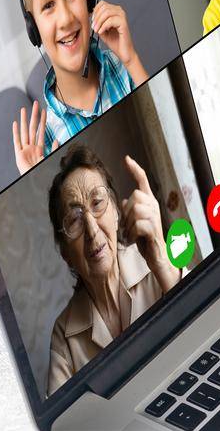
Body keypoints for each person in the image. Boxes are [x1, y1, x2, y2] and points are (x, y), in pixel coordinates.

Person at [12, 0, 148, 176]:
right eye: (48, 6)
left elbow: (160, 121)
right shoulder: (46, 138)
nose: (65, 18)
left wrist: (131, 59)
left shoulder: (121, 69)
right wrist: (35, 177)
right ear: (33, 26)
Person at [45, 145, 181, 394]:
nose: (92, 230)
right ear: (65, 253)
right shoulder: (64, 337)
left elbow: (209, 329)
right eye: (74, 219)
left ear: (116, 212)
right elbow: (66, 424)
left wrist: (162, 262)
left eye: (97, 202)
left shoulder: (159, 266)